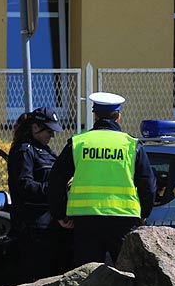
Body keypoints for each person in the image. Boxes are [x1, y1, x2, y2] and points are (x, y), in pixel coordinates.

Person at [48, 92, 156, 267]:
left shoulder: (78, 143)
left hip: (86, 221)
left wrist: (60, 214)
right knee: (126, 275)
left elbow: (56, 180)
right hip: (123, 220)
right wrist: (144, 214)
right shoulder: (131, 145)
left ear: (95, 115)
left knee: (87, 277)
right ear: (118, 117)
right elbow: (147, 184)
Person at [8, 107, 73, 283]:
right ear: (35, 127)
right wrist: (55, 188)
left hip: (52, 227)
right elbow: (25, 186)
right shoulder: (24, 151)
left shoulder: (46, 151)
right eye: (49, 130)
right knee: (37, 281)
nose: (51, 136)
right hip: (34, 230)